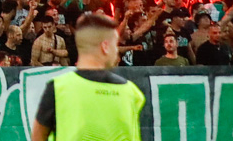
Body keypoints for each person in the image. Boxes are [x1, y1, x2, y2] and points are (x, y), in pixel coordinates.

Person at [31, 12, 146, 141]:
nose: (116, 50)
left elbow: (38, 136)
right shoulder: (132, 93)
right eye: (115, 44)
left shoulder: (58, 88)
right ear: (105, 47)